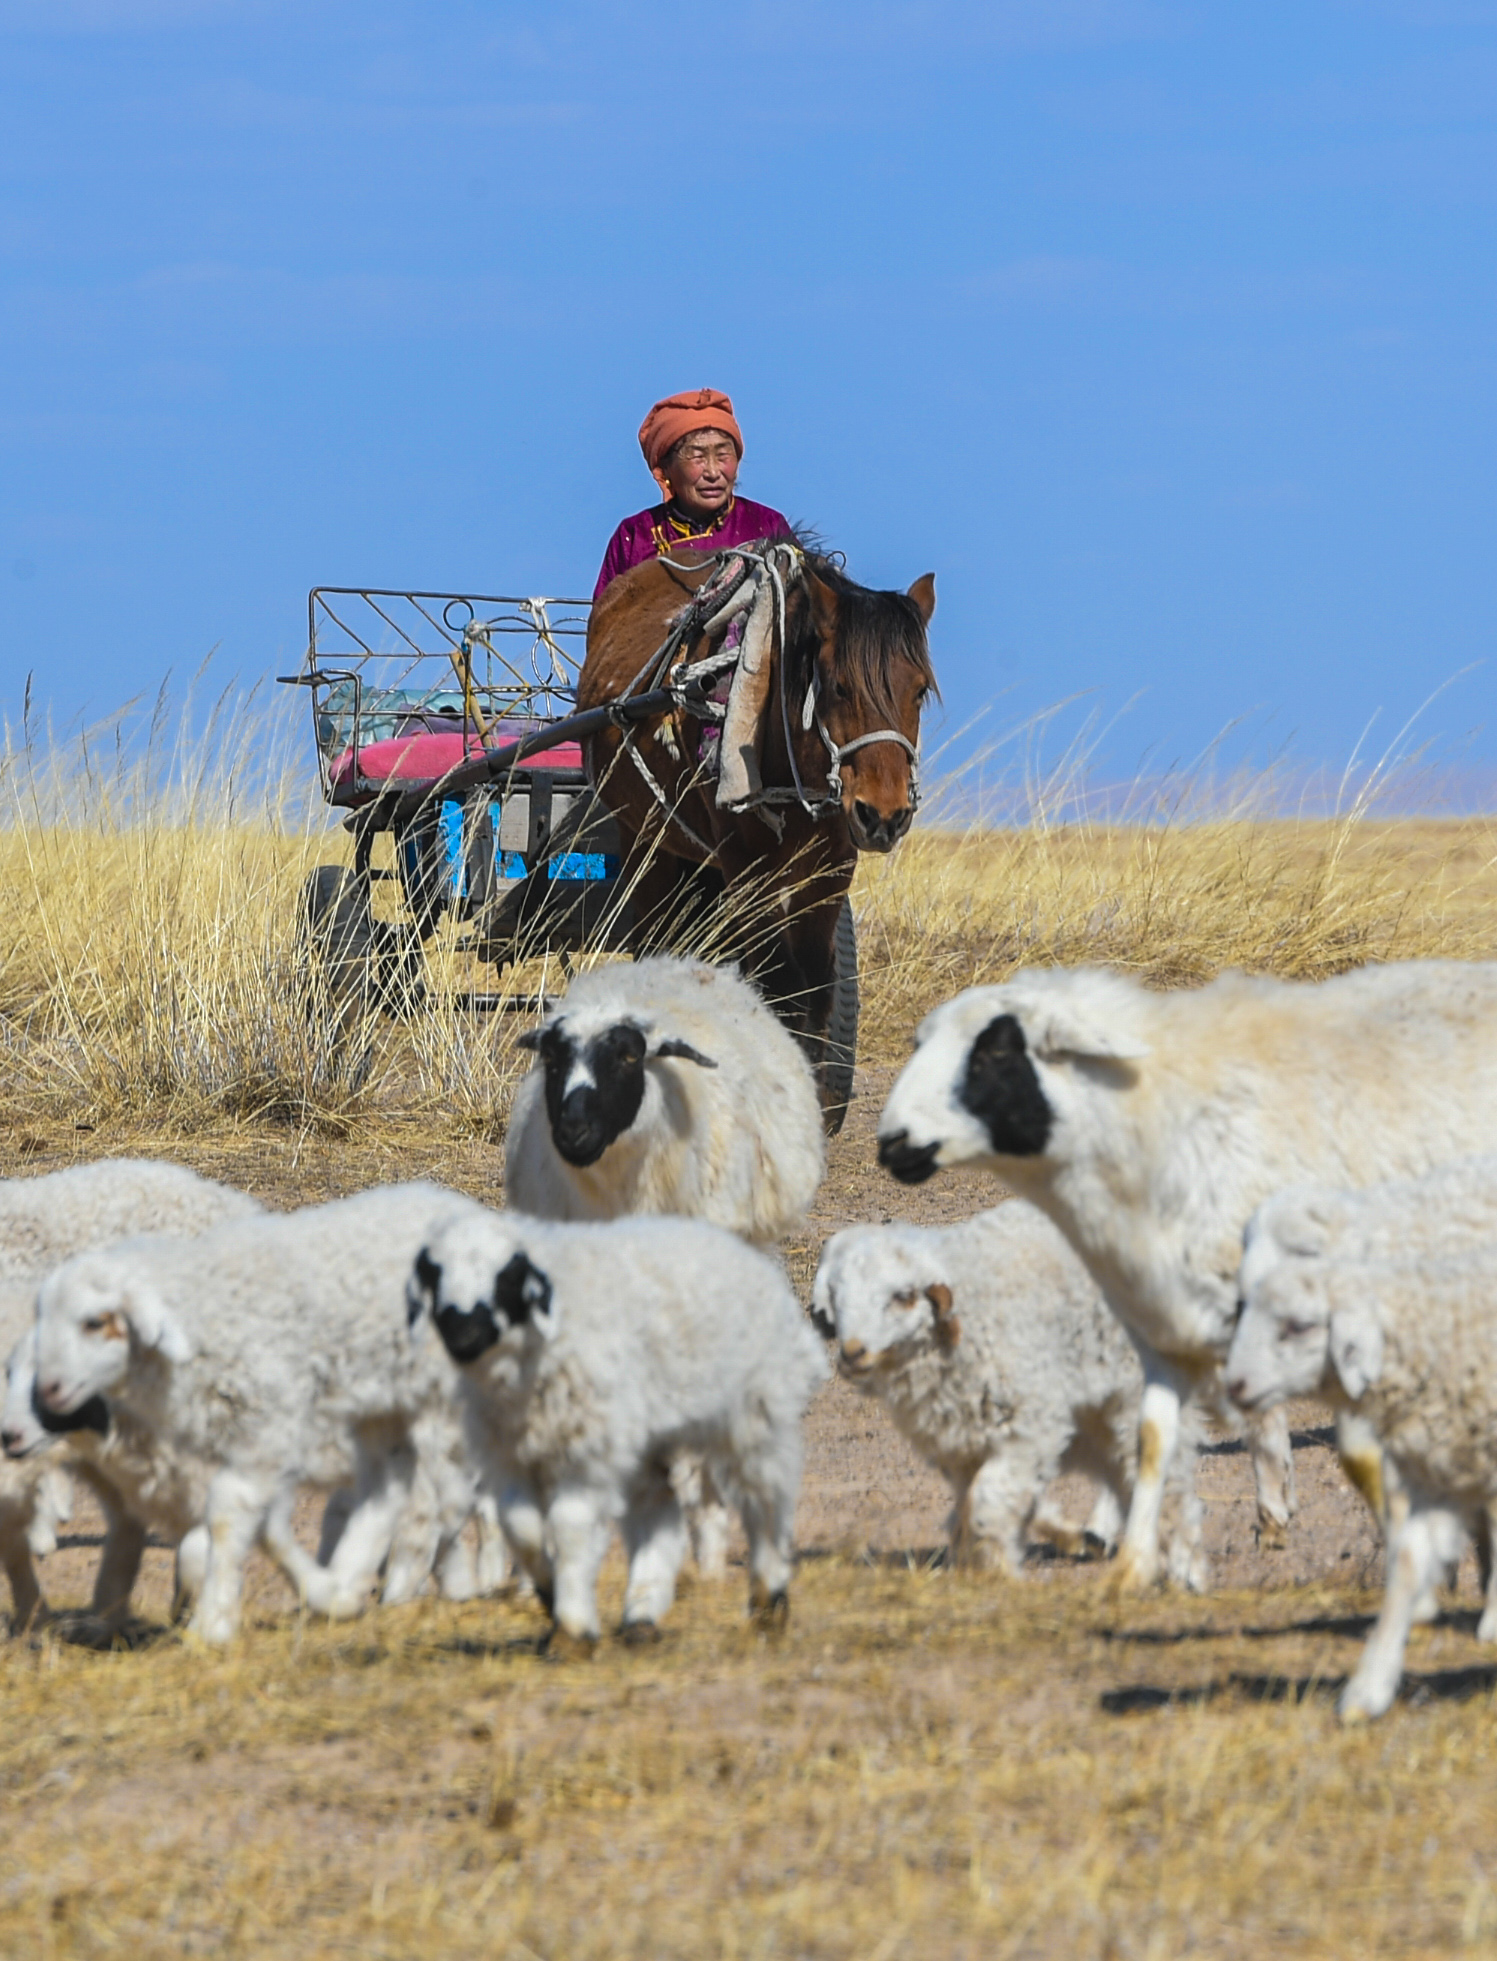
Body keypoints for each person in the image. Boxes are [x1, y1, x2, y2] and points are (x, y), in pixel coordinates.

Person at [593, 387, 795, 600]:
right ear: (666, 469)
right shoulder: (635, 535)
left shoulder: (766, 525)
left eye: (723, 455)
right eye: (697, 457)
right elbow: (607, 621)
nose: (713, 472)